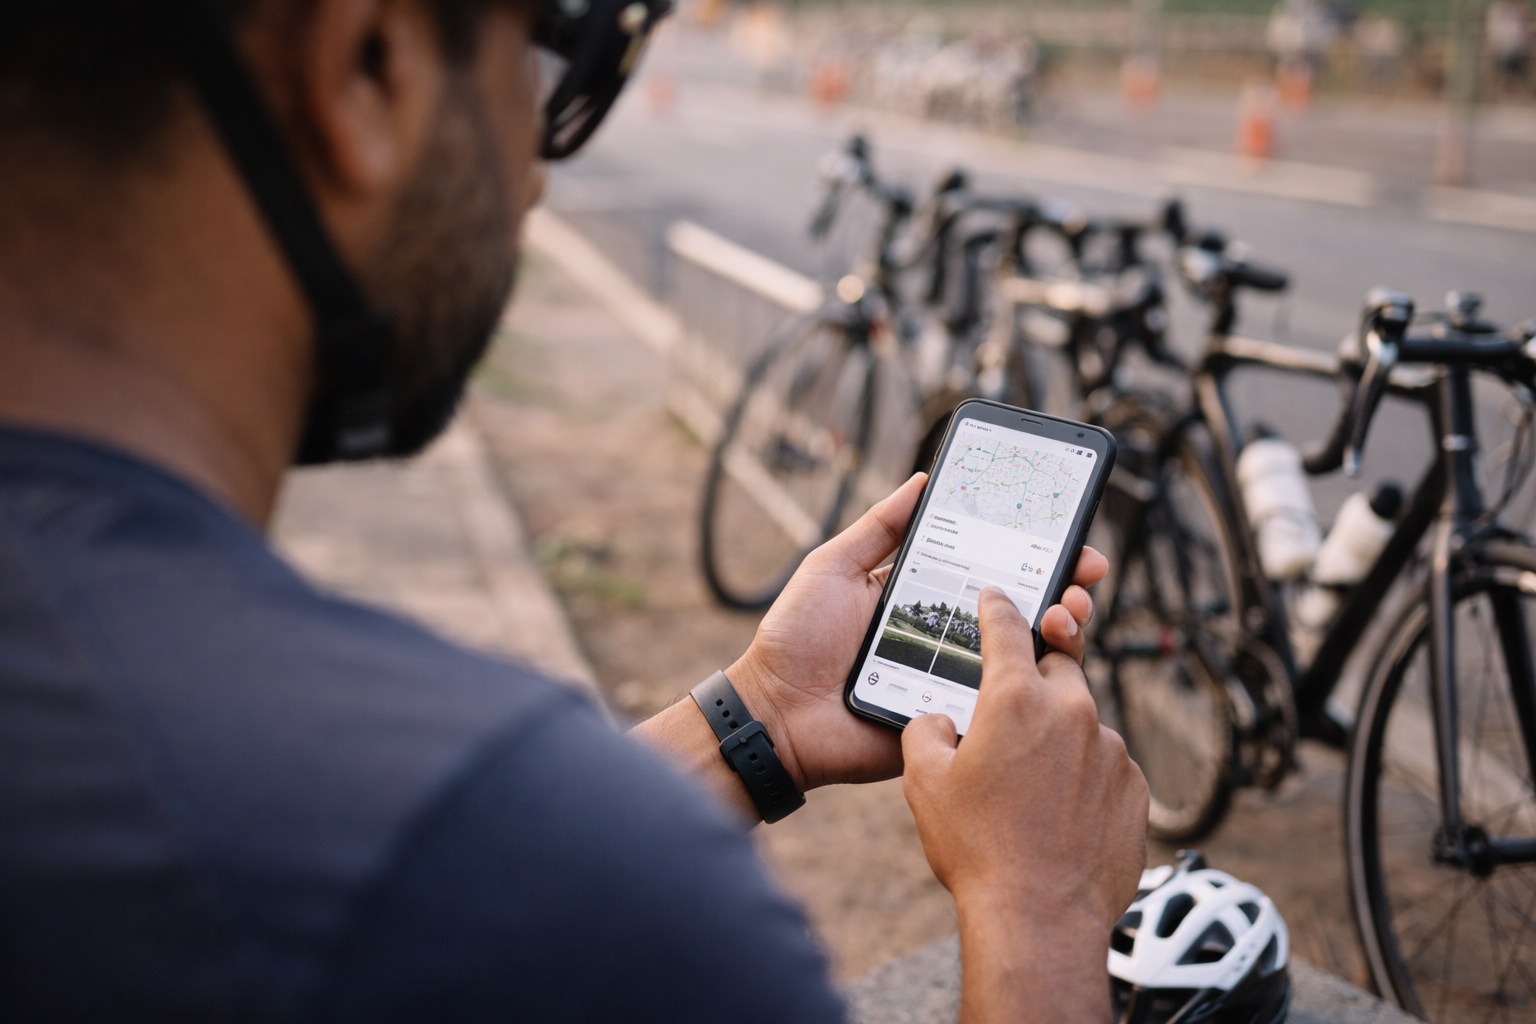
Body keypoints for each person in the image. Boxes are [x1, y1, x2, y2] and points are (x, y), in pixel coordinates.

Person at [0, 1, 1149, 1021]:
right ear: (367, 63)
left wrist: (760, 715)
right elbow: (470, 867)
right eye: (556, 54)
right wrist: (1039, 913)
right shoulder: (584, 904)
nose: (538, 173)